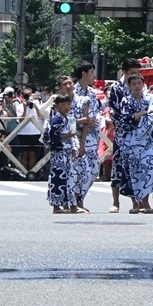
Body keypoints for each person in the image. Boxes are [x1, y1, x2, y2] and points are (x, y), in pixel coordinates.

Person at [109, 71, 153, 214]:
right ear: (129, 86)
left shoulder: (150, 99)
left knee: (148, 168)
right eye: (133, 83)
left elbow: (152, 116)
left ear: (143, 84)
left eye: (139, 83)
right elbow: (126, 119)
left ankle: (146, 201)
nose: (137, 86)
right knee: (132, 170)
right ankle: (136, 203)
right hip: (130, 141)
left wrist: (139, 117)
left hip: (147, 140)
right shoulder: (126, 100)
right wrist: (141, 114)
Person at [69, 62, 101, 211]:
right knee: (80, 170)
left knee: (94, 170)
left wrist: (94, 120)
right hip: (77, 135)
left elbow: (93, 115)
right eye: (92, 72)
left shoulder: (92, 93)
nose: (93, 75)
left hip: (92, 136)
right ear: (84, 73)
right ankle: (75, 202)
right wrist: (86, 120)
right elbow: (70, 118)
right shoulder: (72, 93)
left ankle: (81, 198)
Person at [45, 93, 78, 213]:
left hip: (68, 151)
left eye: (68, 104)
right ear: (57, 106)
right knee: (57, 178)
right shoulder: (56, 119)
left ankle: (70, 204)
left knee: (70, 179)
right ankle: (56, 206)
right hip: (59, 152)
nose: (66, 106)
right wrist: (68, 135)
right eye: (63, 104)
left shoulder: (72, 118)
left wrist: (75, 148)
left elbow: (74, 136)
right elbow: (53, 137)